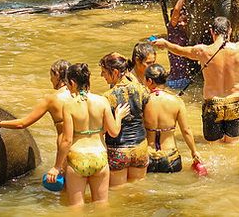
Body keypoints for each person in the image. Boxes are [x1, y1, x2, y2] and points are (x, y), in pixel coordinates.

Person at [153, 16, 239, 143]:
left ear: (212, 32)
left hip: (212, 104)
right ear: (230, 31)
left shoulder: (203, 51)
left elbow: (180, 50)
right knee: (231, 145)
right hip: (234, 102)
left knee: (212, 146)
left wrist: (165, 43)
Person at [46, 63, 130, 207]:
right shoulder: (102, 101)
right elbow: (114, 132)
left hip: (77, 158)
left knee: (76, 207)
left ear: (72, 83)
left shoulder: (69, 106)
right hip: (100, 158)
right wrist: (119, 116)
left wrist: (57, 166)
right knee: (102, 205)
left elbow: (66, 140)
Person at [0, 60, 72, 168]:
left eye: (51, 75)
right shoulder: (82, 96)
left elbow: (22, 123)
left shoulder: (51, 99)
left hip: (67, 152)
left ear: (57, 75)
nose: (50, 79)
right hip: (91, 150)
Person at [100, 52, 149, 187]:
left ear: (115, 72)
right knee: (138, 190)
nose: (101, 76)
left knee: (118, 192)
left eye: (104, 72)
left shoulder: (107, 97)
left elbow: (105, 129)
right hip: (140, 147)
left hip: (118, 150)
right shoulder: (142, 89)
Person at [143, 64, 202, 173]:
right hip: (171, 157)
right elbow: (186, 131)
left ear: (149, 81)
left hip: (148, 156)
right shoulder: (177, 101)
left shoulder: (142, 101)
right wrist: (194, 152)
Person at [166, 0, 193, 90]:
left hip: (185, 78)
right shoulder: (172, 29)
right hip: (175, 80)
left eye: (185, 20)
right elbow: (177, 9)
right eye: (179, 20)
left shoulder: (186, 32)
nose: (182, 23)